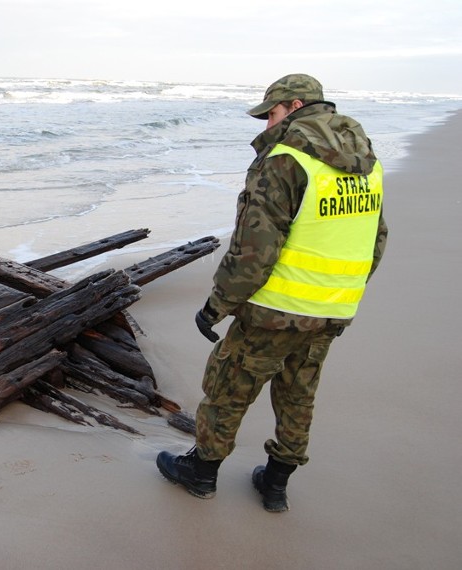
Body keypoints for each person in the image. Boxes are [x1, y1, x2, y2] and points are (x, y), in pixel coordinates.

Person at [156, 73, 388, 512]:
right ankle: (276, 485)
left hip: (274, 309)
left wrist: (217, 305)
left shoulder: (285, 160)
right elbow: (377, 239)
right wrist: (338, 293)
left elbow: (254, 250)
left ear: (296, 107)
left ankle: (201, 473)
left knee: (228, 388)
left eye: (272, 114)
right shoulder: (367, 162)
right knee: (299, 394)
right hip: (333, 309)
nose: (266, 125)